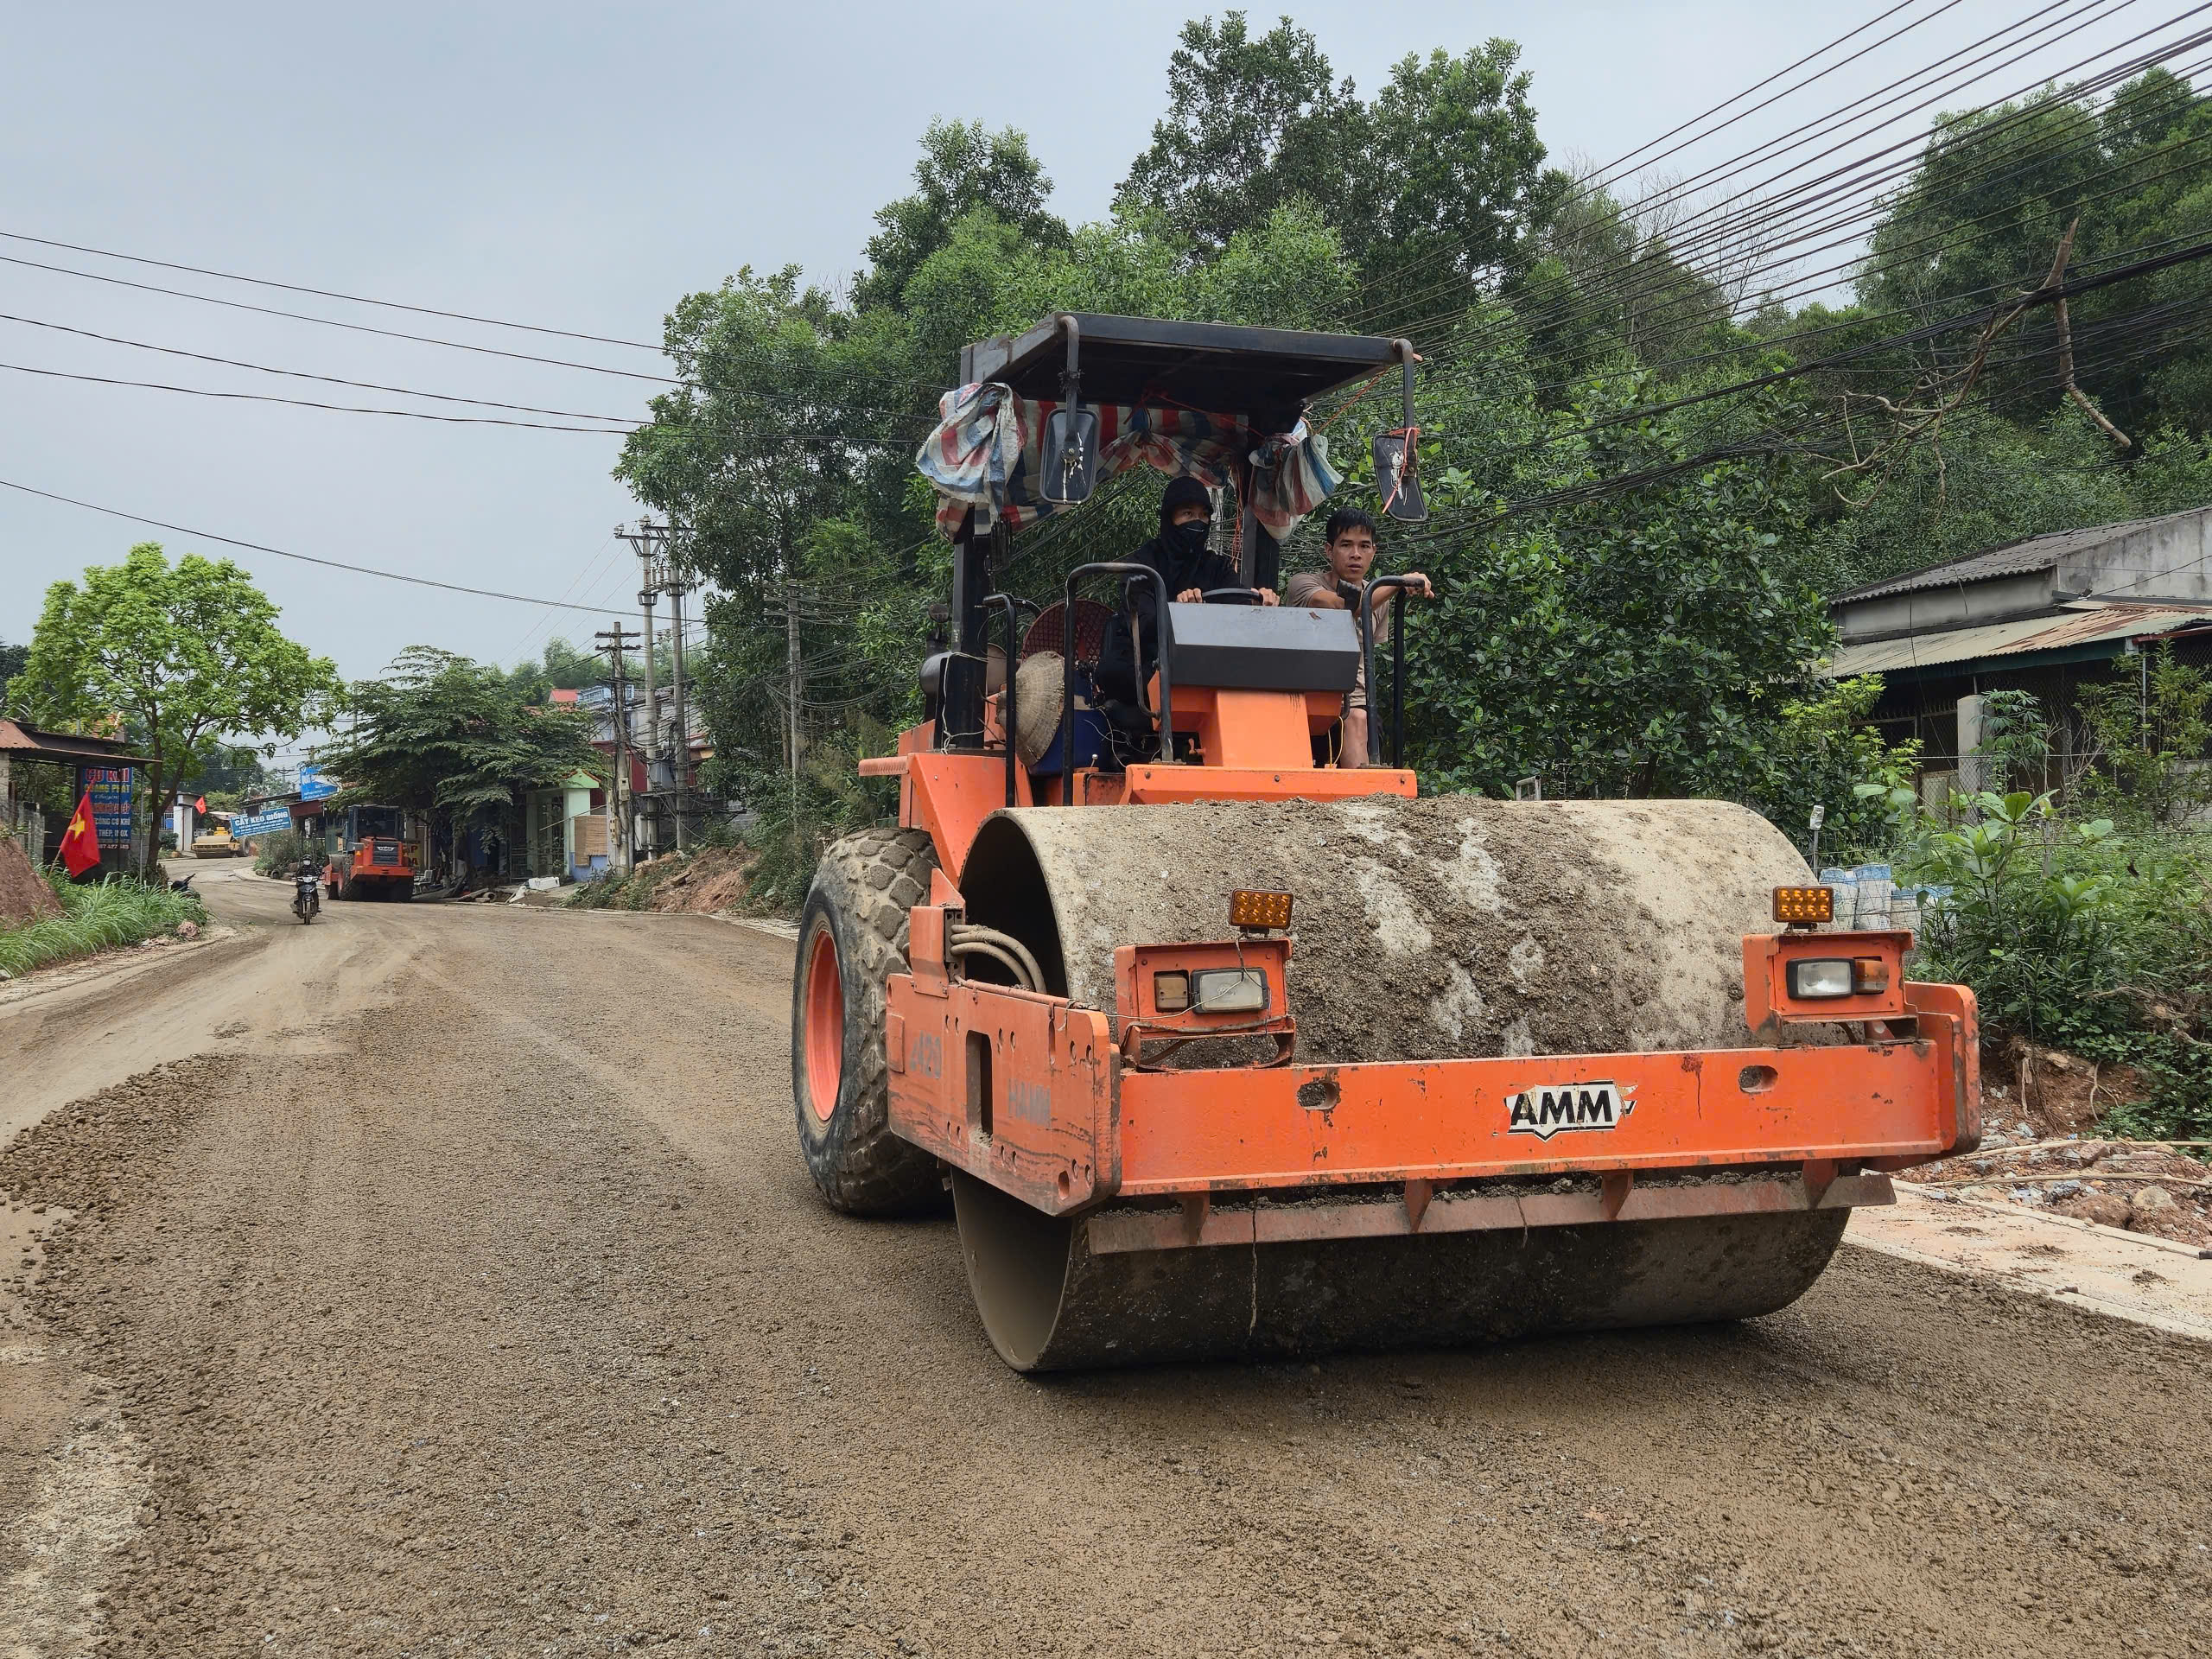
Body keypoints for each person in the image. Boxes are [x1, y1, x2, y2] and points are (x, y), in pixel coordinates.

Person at [1092, 477, 1278, 749]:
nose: (1197, 523)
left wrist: (1259, 604)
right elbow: (1145, 621)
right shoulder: (1143, 564)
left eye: (1203, 516)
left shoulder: (1216, 566)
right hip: (1150, 663)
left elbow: (1238, 605)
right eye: (1188, 514)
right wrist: (1179, 614)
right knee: (1113, 671)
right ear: (1170, 519)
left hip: (1208, 668)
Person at [1284, 506, 1434, 767]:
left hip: (1356, 704)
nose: (1356, 554)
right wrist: (1397, 582)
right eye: (1346, 545)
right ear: (1329, 550)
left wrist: (1393, 586)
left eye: (1364, 546)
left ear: (1374, 551)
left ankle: (1365, 789)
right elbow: (1344, 606)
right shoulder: (1304, 584)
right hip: (1306, 702)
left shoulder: (1379, 597)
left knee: (1359, 718)